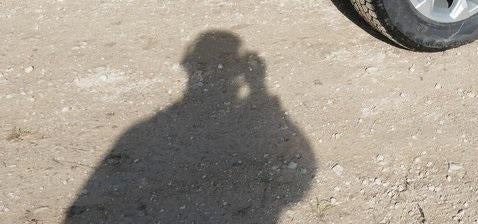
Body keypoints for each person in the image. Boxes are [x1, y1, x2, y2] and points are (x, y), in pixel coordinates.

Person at [64, 30, 315, 223]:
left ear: (188, 64)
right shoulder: (143, 130)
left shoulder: (141, 131)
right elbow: (303, 177)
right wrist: (259, 88)